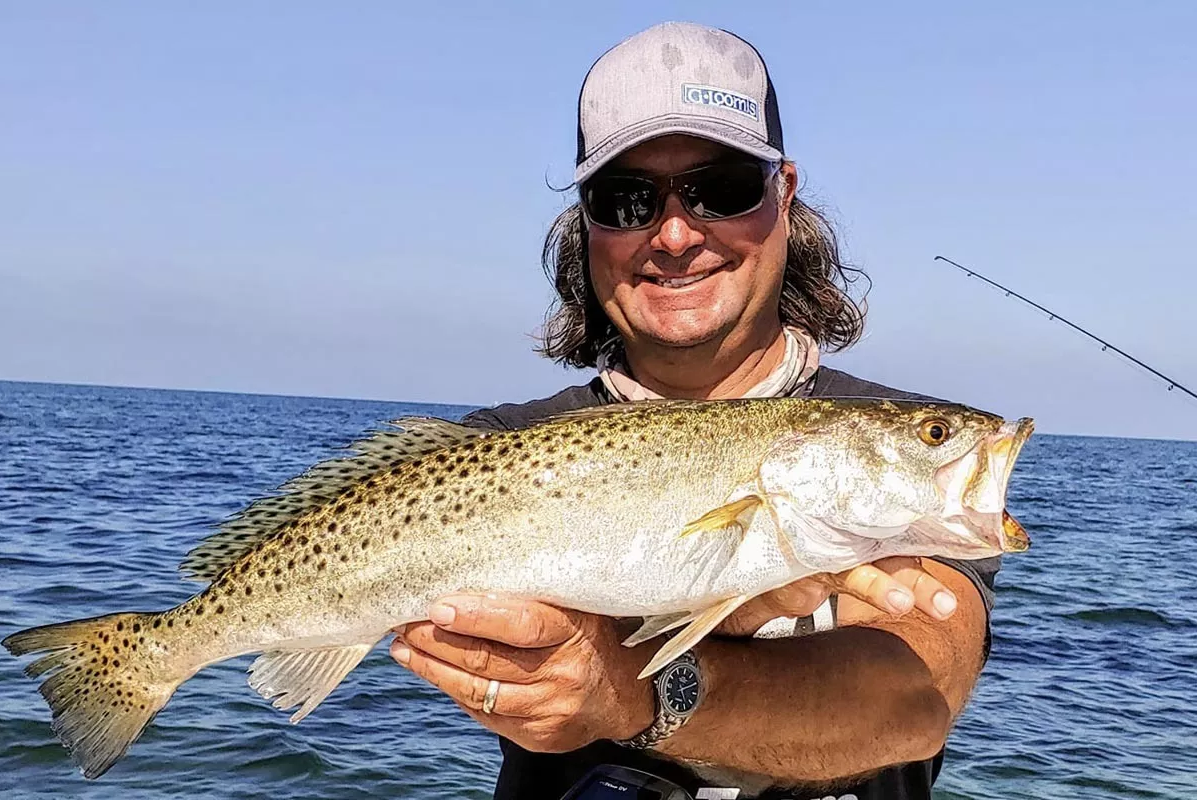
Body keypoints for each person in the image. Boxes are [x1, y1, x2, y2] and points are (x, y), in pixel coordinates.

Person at [388, 21, 999, 800]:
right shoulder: (495, 454)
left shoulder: (892, 445)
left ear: (784, 193)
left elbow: (912, 703)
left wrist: (633, 687)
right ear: (587, 227)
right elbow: (496, 657)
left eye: (723, 187)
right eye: (626, 199)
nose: (675, 234)